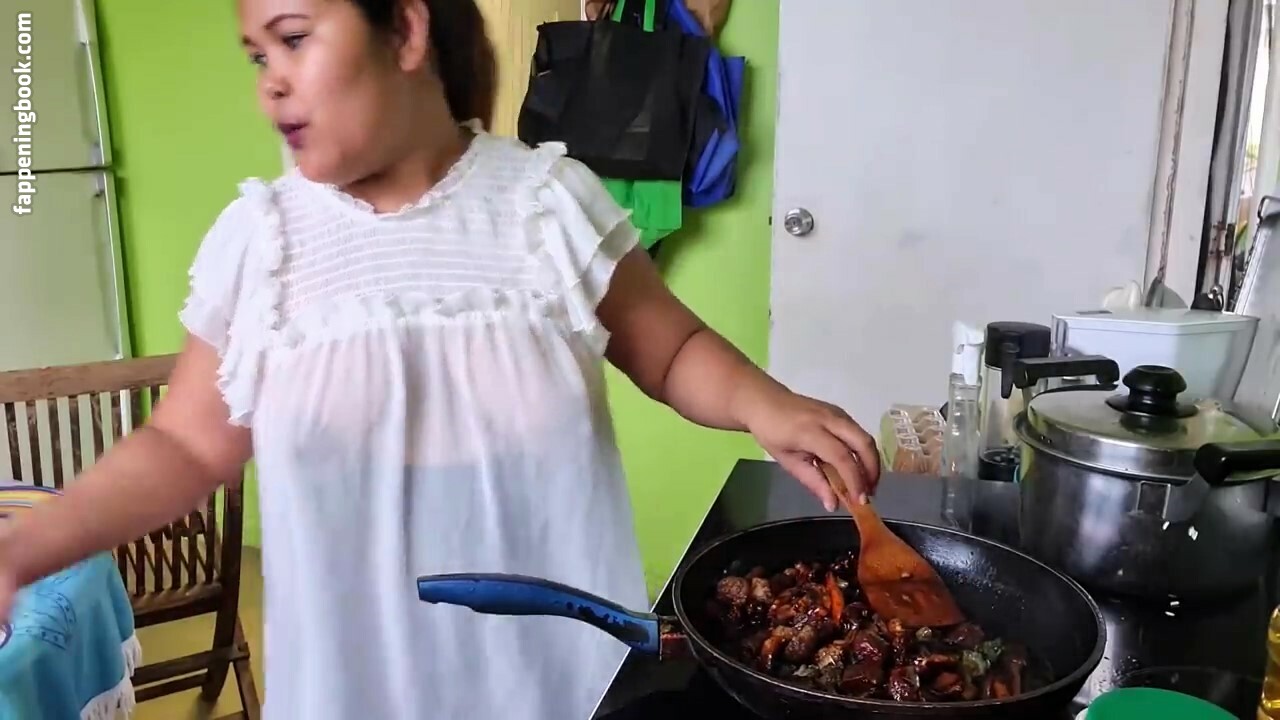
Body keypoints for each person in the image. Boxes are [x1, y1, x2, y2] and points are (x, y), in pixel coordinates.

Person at [0, 0, 881, 717]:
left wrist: (766, 404)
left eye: (294, 39)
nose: (270, 81)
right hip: (353, 692)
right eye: (257, 55)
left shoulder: (545, 204)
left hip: (561, 686)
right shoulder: (261, 242)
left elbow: (673, 350)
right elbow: (184, 447)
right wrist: (22, 549)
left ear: (406, 30)